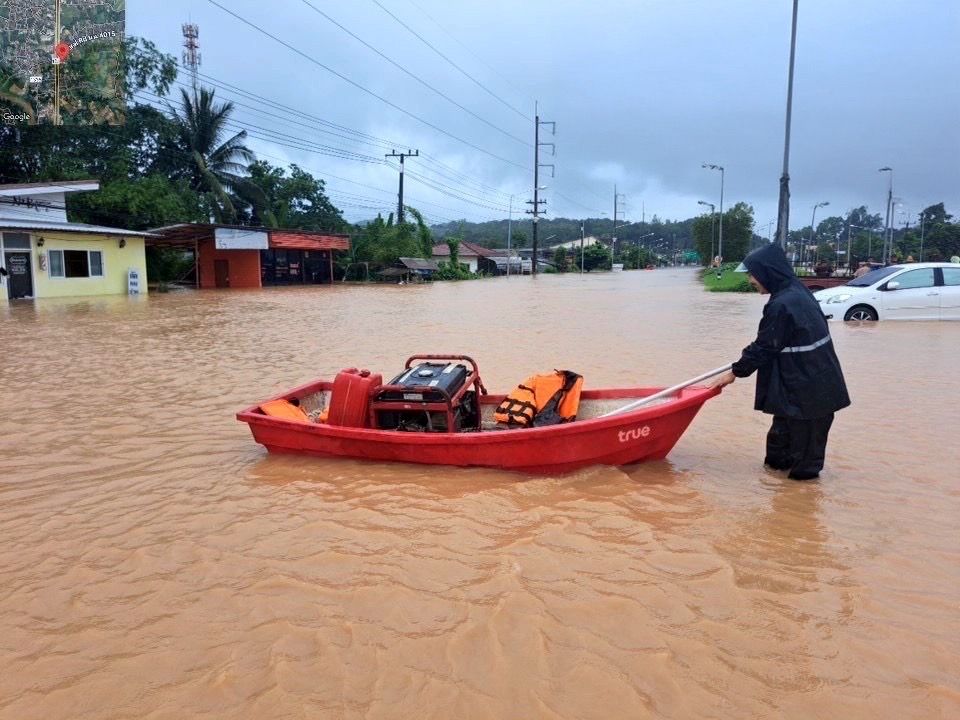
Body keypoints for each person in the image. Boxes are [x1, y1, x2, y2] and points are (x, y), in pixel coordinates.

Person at [710, 244, 850, 480]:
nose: (751, 281)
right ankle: (775, 492)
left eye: (753, 275)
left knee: (804, 466)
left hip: (810, 393)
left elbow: (765, 346)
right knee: (778, 450)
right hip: (799, 387)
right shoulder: (794, 292)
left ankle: (801, 499)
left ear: (768, 273)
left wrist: (734, 373)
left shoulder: (783, 303)